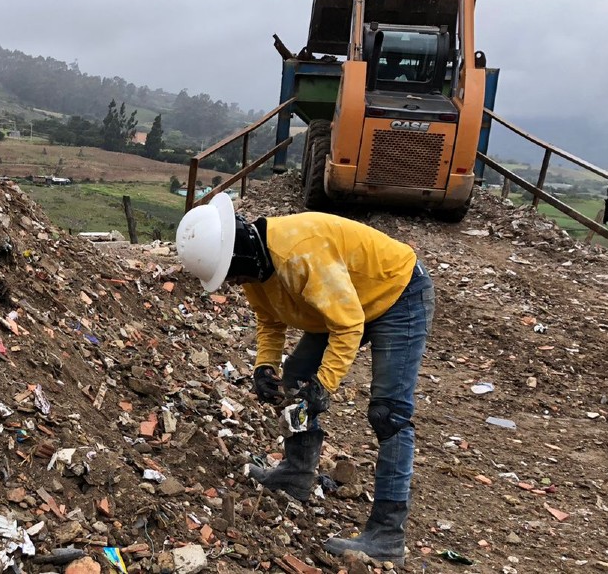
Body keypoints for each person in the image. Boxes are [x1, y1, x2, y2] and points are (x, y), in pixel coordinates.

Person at [174, 193, 435, 566]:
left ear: (240, 255)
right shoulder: (251, 264)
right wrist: (265, 366)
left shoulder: (299, 255)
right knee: (294, 378)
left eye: (234, 276)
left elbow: (347, 324)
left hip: (398, 293)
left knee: (388, 414)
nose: (235, 284)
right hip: (348, 301)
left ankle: (387, 534)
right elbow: (270, 319)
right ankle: (296, 475)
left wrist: (324, 386)